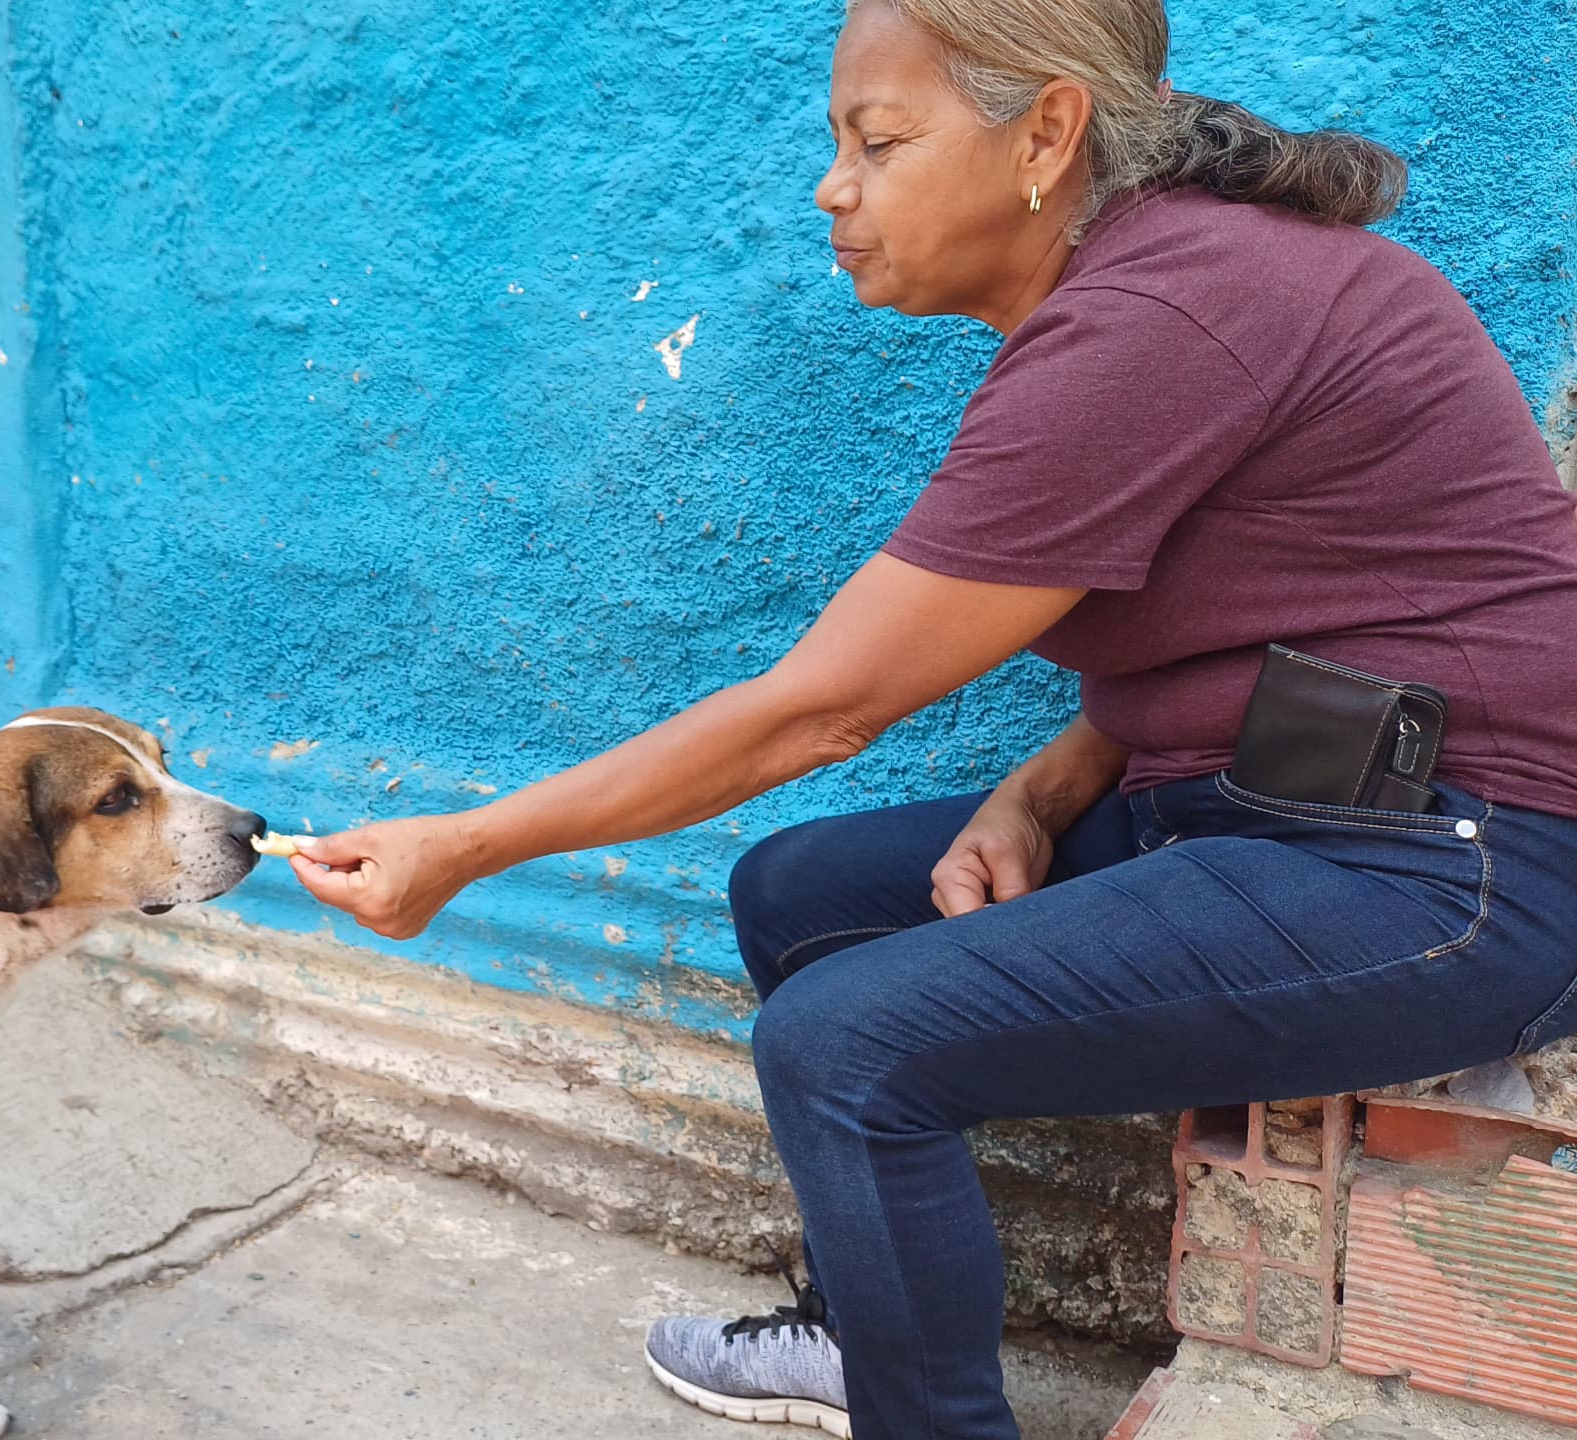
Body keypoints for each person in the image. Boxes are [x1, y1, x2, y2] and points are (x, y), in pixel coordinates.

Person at [284, 3, 1577, 1437]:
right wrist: (1040, 787)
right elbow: (1274, 609)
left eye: (878, 140)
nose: (833, 188)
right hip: (1286, 802)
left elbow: (821, 712)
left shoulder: (1169, 312)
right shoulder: (1152, 285)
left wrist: (464, 847)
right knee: (803, 897)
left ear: (1046, 132)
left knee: (848, 1045)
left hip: (1459, 869)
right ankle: (871, 1344)